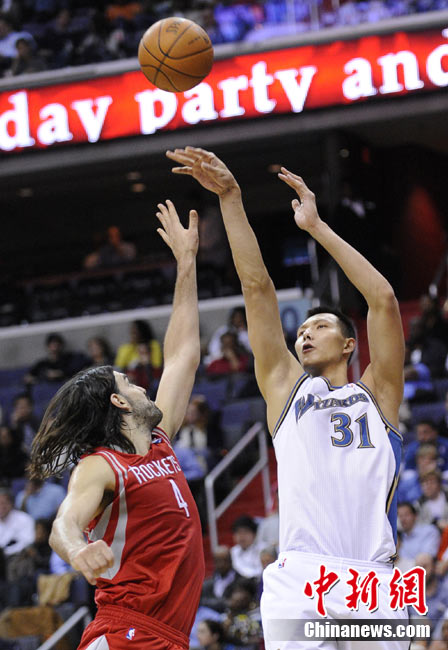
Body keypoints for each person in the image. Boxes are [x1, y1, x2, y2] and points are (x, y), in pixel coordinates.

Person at [167, 146, 409, 648]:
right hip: (301, 576)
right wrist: (231, 199)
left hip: (373, 577)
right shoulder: (286, 388)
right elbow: (257, 287)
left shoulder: (379, 394)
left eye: (319, 326)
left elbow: (383, 299)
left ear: (350, 344)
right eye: (300, 330)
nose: (304, 334)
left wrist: (316, 228)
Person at [29, 201, 205, 650]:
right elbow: (64, 523)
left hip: (169, 636)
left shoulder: (160, 441)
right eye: (130, 382)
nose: (143, 386)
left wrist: (186, 262)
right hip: (127, 632)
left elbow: (183, 354)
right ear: (118, 402)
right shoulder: (102, 465)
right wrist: (78, 549)